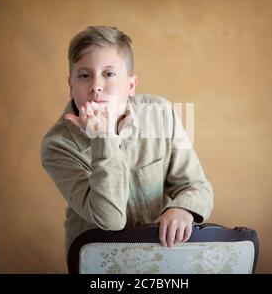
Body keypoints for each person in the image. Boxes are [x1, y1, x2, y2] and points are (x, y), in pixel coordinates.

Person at [40, 26, 214, 261]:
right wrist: (105, 138)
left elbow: (197, 185)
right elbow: (111, 219)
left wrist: (182, 208)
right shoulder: (57, 144)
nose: (96, 86)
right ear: (71, 85)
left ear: (131, 85)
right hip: (101, 260)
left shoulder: (160, 112)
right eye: (84, 75)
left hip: (162, 255)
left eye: (109, 74)